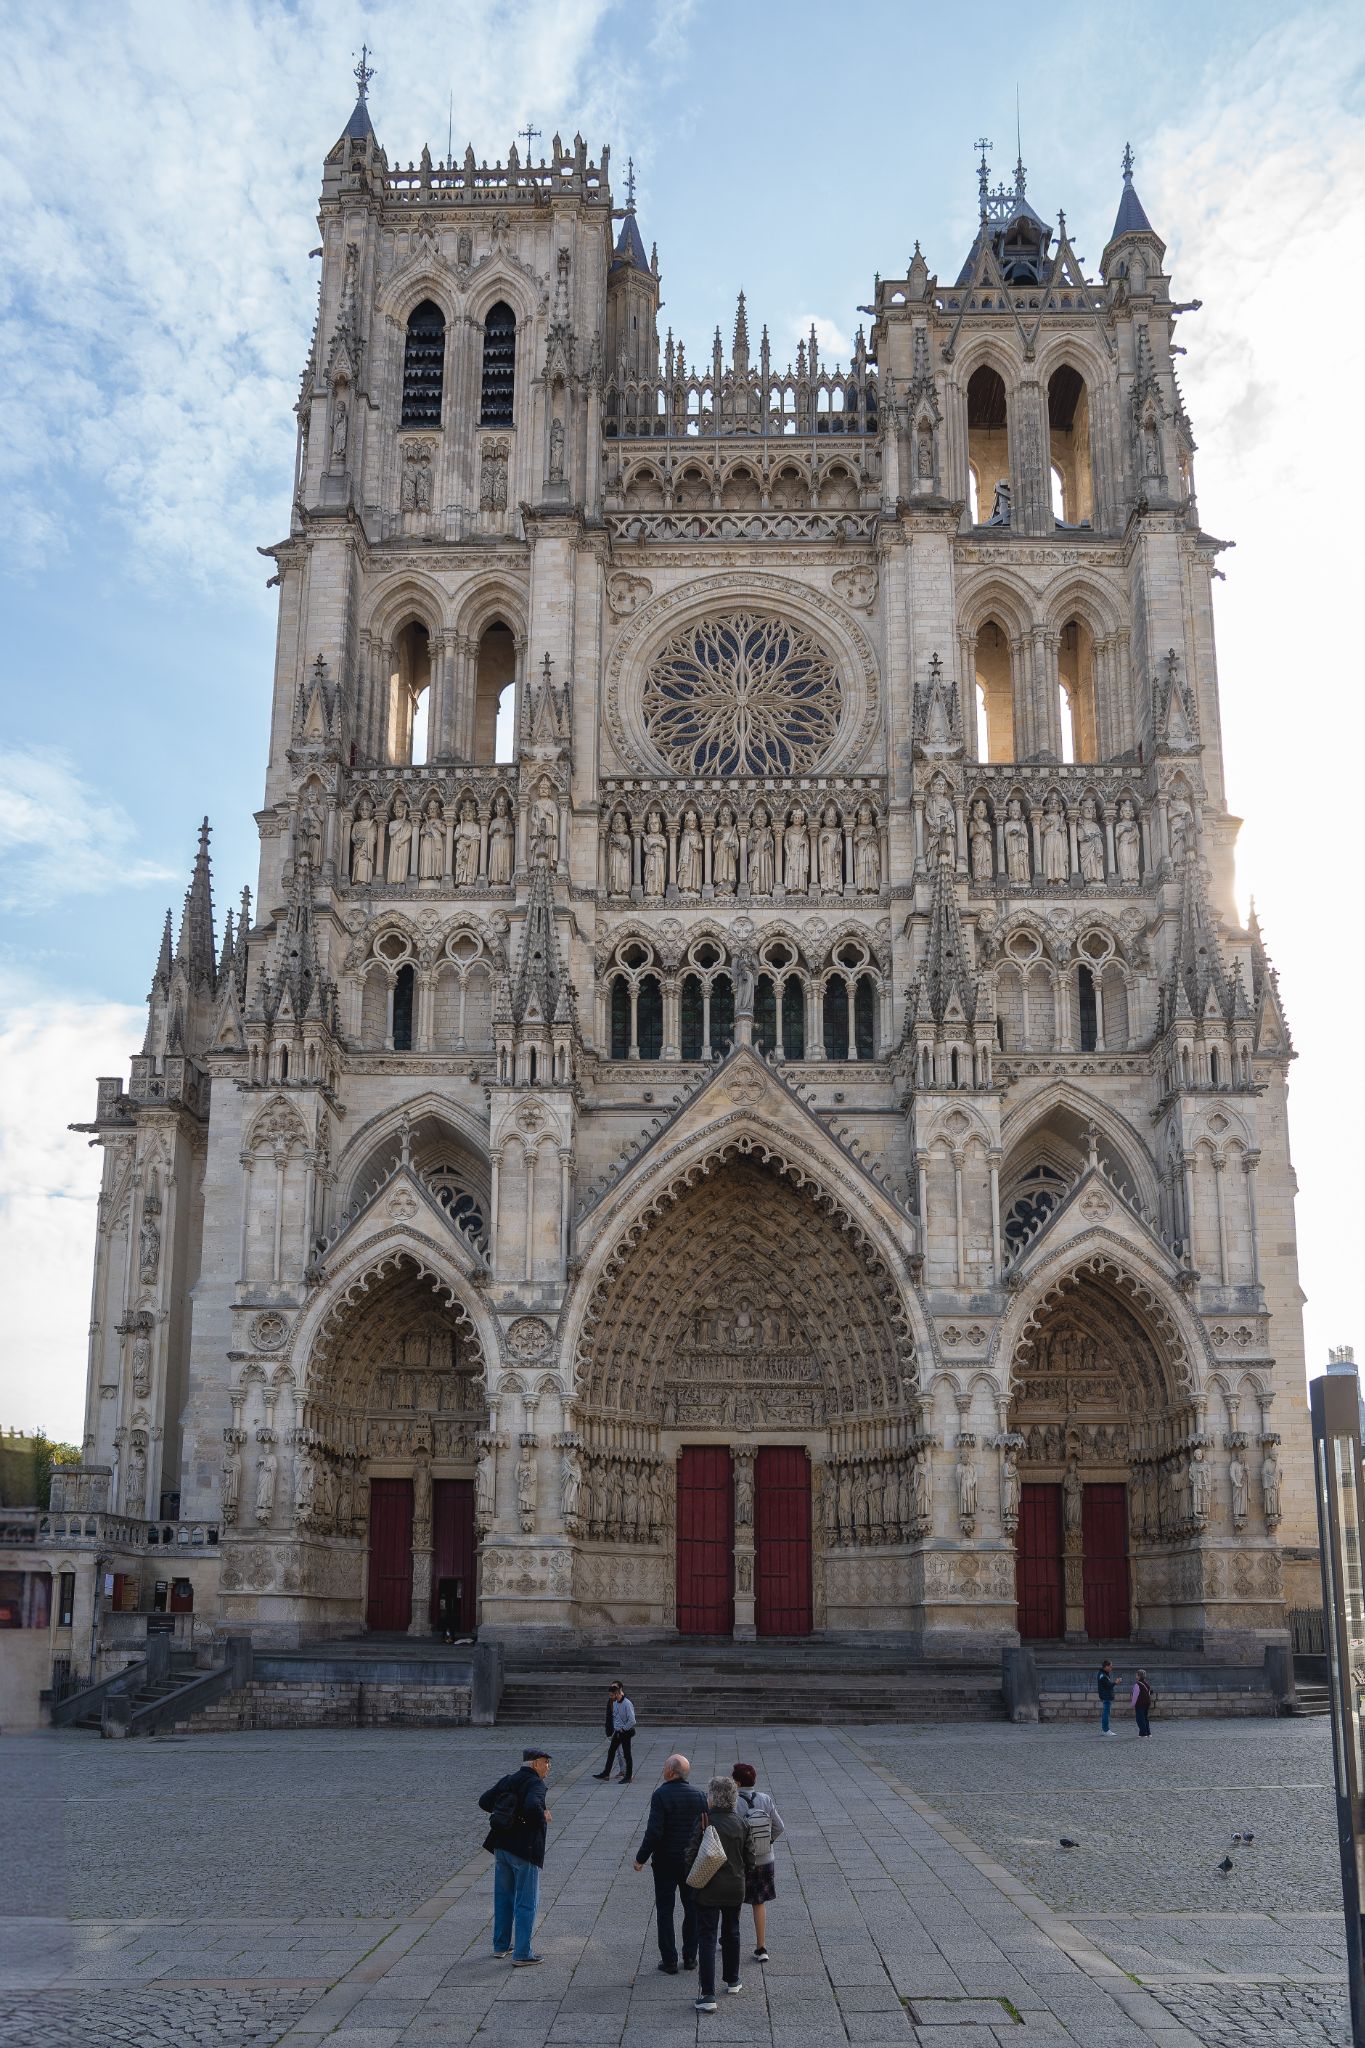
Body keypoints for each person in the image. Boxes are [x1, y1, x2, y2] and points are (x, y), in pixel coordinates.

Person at [685, 1774, 755, 2014]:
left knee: (706, 1937)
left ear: (713, 1798)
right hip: (735, 1887)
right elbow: (751, 1858)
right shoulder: (741, 1822)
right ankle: (733, 1980)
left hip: (708, 1888)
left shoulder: (705, 1820)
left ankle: (707, 1994)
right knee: (732, 1931)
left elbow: (691, 1853)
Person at [634, 1752, 707, 1975]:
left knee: (665, 1910)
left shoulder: (661, 1795)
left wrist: (641, 1858)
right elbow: (705, 1829)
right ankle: (690, 1956)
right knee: (691, 1908)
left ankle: (669, 1960)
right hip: (691, 1861)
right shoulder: (699, 1795)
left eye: (665, 1766)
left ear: (670, 1772)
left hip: (665, 1861)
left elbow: (654, 1831)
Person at [478, 1747, 552, 1965]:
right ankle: (522, 1953)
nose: (549, 1767)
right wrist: (543, 1816)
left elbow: (484, 1801)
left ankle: (501, 1946)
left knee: (503, 1897)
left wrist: (508, 1814)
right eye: (546, 1762)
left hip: (502, 1846)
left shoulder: (508, 1780)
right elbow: (531, 1807)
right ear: (536, 1763)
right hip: (525, 1850)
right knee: (527, 1901)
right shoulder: (536, 1784)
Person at [732, 1762, 784, 1963]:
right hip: (765, 1859)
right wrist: (767, 1842)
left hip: (740, 1860)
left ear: (736, 1782)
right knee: (759, 1902)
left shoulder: (734, 1802)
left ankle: (730, 1939)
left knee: (734, 1901)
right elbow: (779, 1826)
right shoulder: (765, 1799)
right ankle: (761, 1947)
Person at [593, 1681, 636, 1782]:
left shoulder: (627, 1703)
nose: (610, 1697)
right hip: (617, 1732)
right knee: (611, 1751)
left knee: (627, 1754)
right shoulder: (615, 1703)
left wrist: (623, 1729)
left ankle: (628, 1776)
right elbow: (615, 1717)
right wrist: (615, 1730)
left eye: (612, 1695)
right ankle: (606, 1773)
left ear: (617, 1693)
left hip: (625, 1732)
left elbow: (632, 1720)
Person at [1097, 1658, 1117, 1736]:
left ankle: (1104, 1729)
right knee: (1106, 1713)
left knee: (1106, 1713)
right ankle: (1106, 1730)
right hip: (1106, 1696)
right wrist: (1115, 1682)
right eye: (1110, 1666)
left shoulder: (1103, 1673)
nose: (1111, 1668)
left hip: (1106, 1696)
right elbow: (1108, 1685)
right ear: (1106, 1666)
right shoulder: (1103, 1675)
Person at [1133, 1669, 1156, 1738]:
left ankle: (1143, 1733)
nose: (1136, 1676)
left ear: (1139, 1676)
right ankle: (1148, 1732)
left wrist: (1133, 1704)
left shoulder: (1137, 1685)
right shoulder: (1147, 1684)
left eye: (1136, 1675)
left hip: (1139, 1704)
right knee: (1145, 1718)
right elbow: (1150, 1692)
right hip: (1147, 1703)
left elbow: (1135, 1696)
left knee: (1139, 1718)